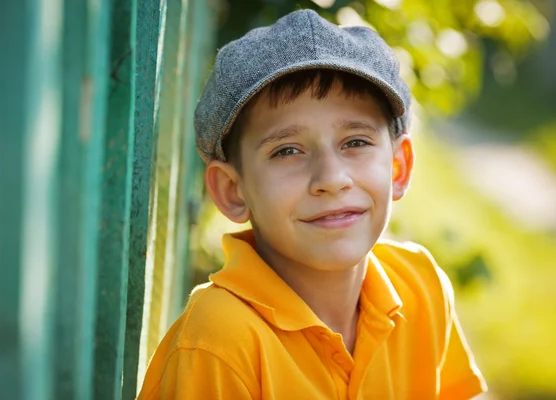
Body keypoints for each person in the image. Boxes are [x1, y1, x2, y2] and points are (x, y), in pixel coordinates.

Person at [137, 9, 487, 399]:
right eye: (287, 150)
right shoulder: (219, 343)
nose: (331, 179)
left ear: (398, 167)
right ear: (233, 190)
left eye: (355, 142)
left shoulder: (420, 284)